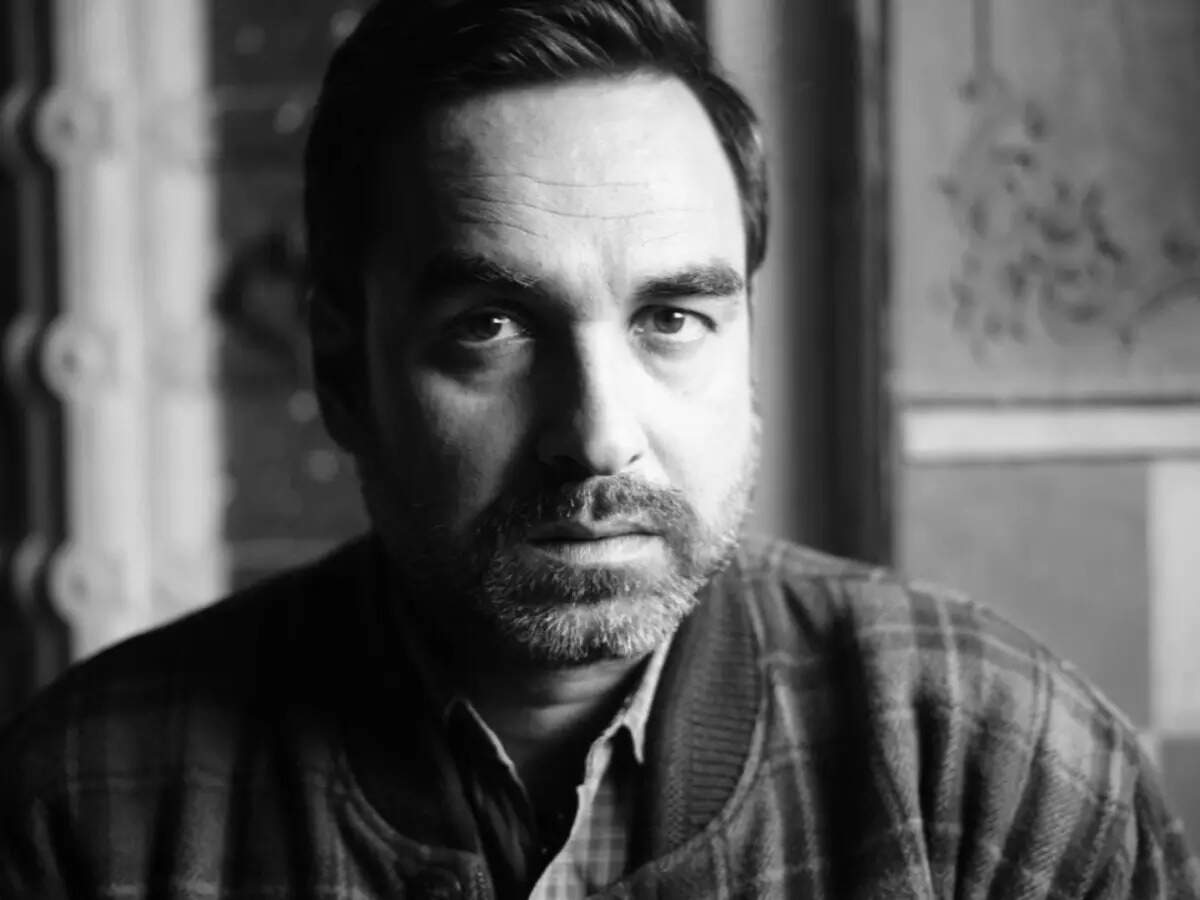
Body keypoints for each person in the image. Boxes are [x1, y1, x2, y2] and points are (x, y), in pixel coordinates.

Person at [2, 0, 1198, 897]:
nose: (600, 436)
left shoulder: (996, 770)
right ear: (343, 374)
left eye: (671, 318)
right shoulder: (93, 807)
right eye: (491, 327)